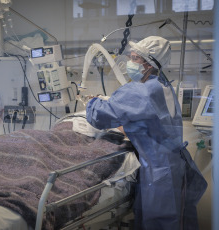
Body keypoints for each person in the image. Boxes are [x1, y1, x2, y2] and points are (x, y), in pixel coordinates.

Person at [85, 36, 207, 230]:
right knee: (179, 221)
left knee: (161, 224)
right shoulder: (164, 87)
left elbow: (98, 117)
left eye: (135, 58)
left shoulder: (141, 92)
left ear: (149, 65)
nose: (130, 63)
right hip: (175, 166)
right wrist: (123, 125)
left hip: (160, 174)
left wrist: (92, 102)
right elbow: (152, 125)